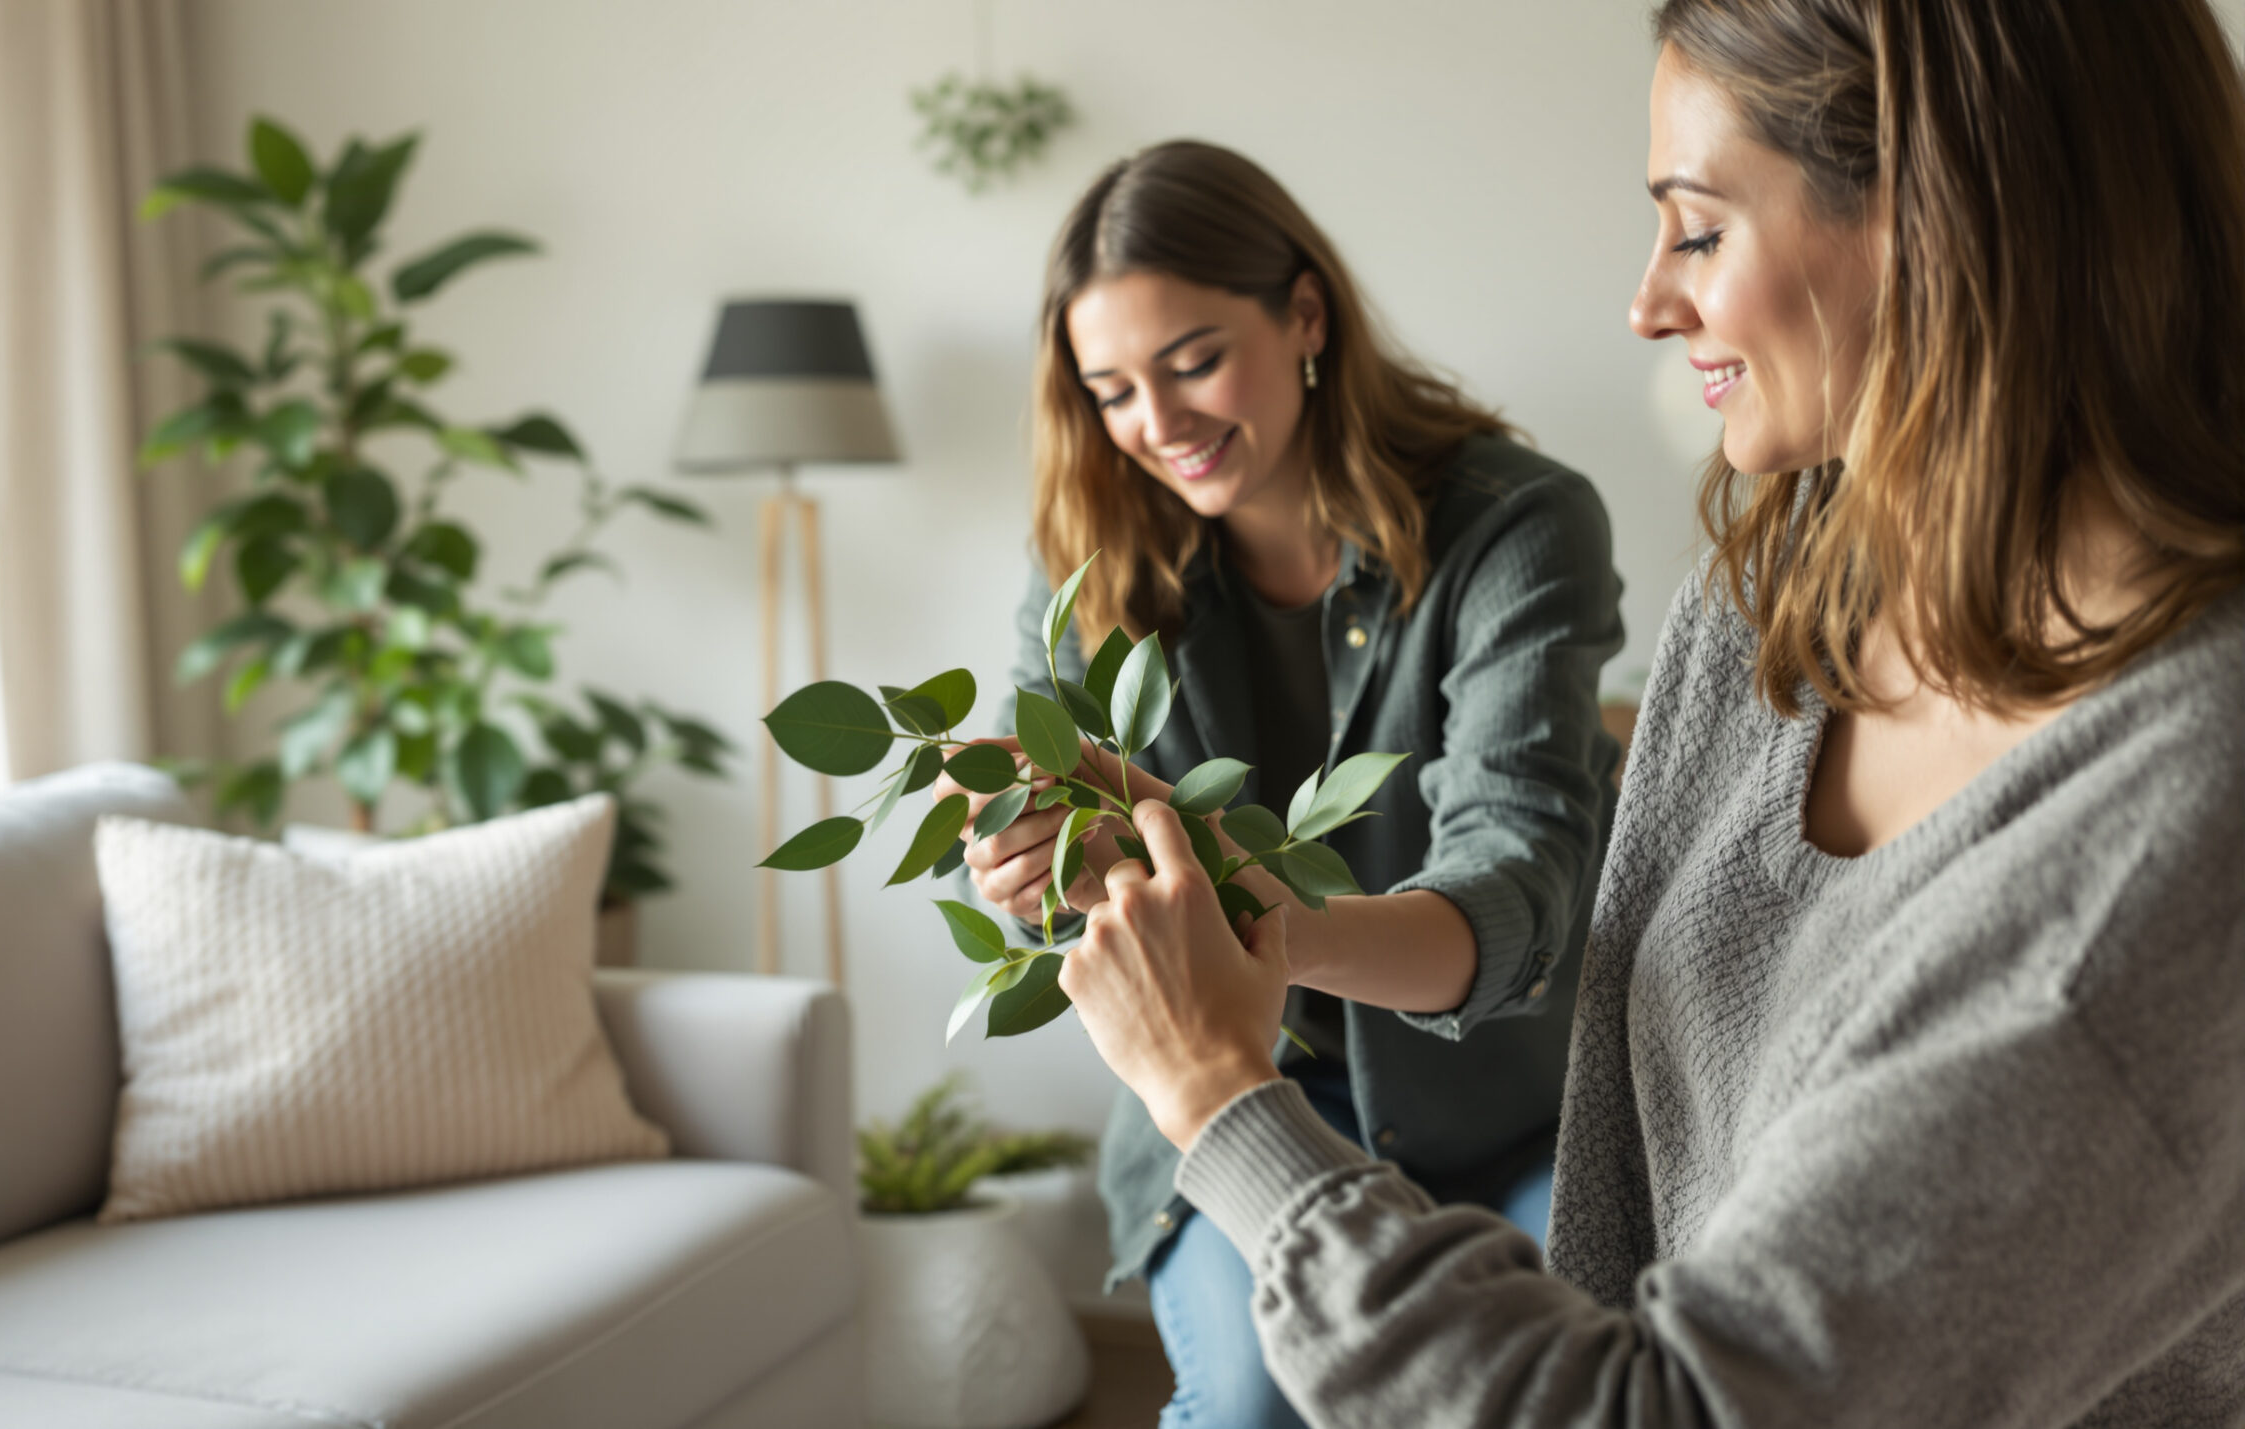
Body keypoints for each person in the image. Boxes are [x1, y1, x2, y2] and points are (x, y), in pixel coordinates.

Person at [1055, 0, 2245, 1423]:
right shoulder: (1780, 579)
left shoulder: (2167, 831)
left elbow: (1650, 1398)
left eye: (1697, 229)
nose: (1647, 303)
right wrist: (1178, 905)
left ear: (1942, 217)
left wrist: (1216, 1087)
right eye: (1111, 387)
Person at [940, 140, 1625, 1427]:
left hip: (1510, 1111)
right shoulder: (1086, 556)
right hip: (1236, 1087)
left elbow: (1518, 890)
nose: (1158, 424)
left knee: (1546, 1371)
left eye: (1193, 360)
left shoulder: (1518, 527)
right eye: (1112, 390)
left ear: (1304, 315)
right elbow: (1060, 864)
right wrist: (1022, 850)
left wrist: (1246, 918)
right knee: (1255, 1398)